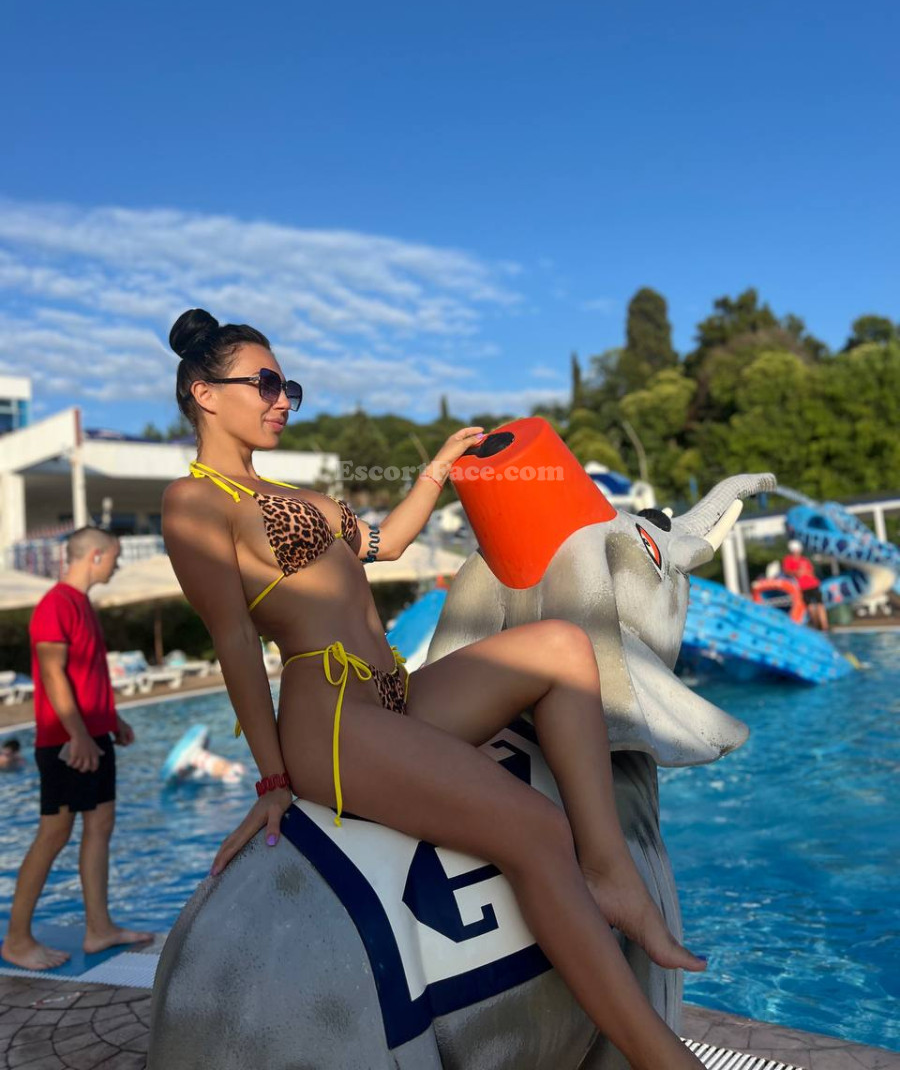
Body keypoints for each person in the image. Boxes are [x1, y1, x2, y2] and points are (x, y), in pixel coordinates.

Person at [161, 307, 708, 1070]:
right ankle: (661, 1057)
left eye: (289, 387)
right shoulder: (194, 503)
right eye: (267, 384)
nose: (284, 400)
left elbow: (387, 542)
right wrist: (273, 780)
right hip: (334, 723)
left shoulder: (297, 495)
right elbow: (234, 643)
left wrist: (440, 467)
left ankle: (610, 869)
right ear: (205, 393)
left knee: (562, 647)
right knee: (532, 827)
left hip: (396, 694)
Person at [1, 528, 153, 972]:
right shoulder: (56, 604)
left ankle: (99, 927)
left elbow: (87, 677)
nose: (118, 566)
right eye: (116, 558)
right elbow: (53, 674)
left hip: (91, 735)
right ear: (97, 556)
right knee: (55, 833)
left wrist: (111, 721)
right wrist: (79, 735)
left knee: (100, 824)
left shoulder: (83, 604)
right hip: (65, 741)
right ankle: (16, 939)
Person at [783, 538, 829, 631]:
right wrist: (797, 572)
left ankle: (824, 626)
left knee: (820, 605)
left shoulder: (804, 560)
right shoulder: (789, 560)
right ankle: (818, 626)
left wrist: (803, 572)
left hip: (813, 584)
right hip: (803, 587)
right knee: (811, 607)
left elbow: (810, 572)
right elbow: (787, 571)